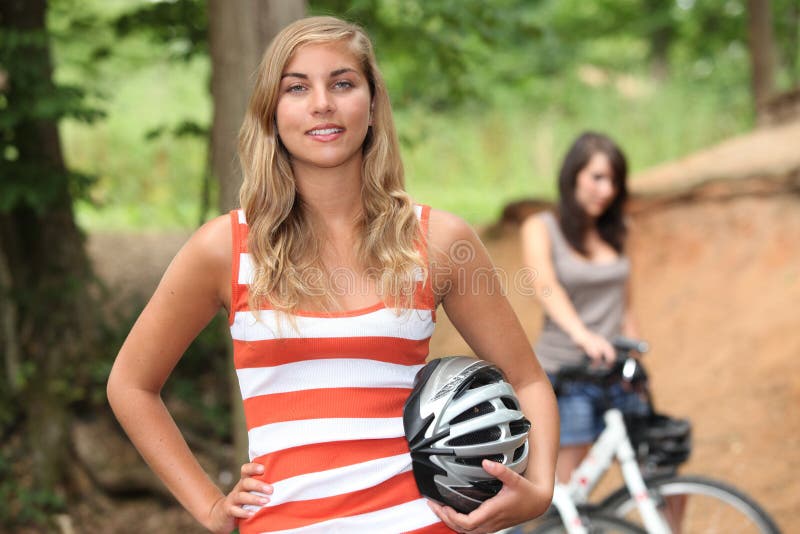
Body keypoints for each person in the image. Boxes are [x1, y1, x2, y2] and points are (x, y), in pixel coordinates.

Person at [107, 16, 558, 534]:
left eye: (342, 83)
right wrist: (209, 506)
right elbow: (130, 385)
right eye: (297, 88)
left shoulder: (437, 241)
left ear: (372, 105)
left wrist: (539, 490)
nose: (322, 103)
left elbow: (527, 379)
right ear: (272, 114)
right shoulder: (224, 248)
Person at [520, 131, 648, 483]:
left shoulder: (619, 229)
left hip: (613, 369)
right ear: (573, 174)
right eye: (597, 177)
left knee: (658, 464)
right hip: (567, 372)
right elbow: (545, 286)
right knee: (567, 484)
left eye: (614, 181)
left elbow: (626, 305)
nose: (606, 190)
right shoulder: (542, 227)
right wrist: (584, 336)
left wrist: (635, 359)